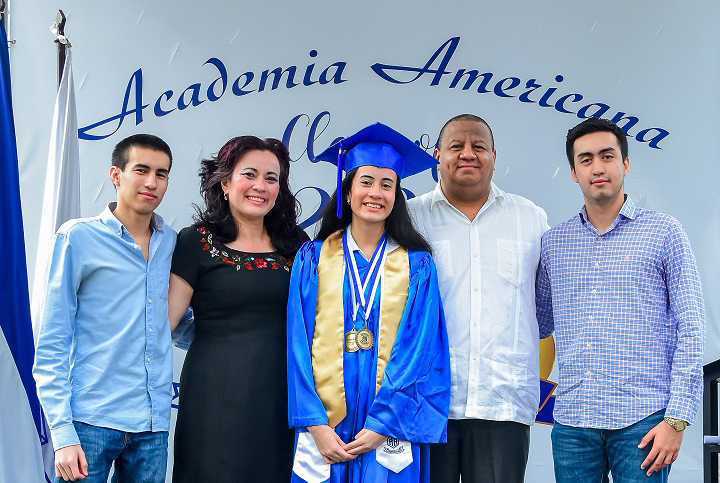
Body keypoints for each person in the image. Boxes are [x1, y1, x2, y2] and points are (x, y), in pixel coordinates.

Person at [535, 117, 705, 482]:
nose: (598, 167)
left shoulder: (664, 232)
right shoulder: (554, 244)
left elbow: (691, 328)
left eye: (607, 156)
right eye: (586, 159)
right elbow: (539, 322)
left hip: (643, 422)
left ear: (625, 164)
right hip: (573, 424)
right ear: (573, 172)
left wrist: (676, 419)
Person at [287, 122, 451, 483]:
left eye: (387, 184)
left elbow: (419, 351)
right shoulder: (313, 259)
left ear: (397, 196)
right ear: (347, 193)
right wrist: (314, 422)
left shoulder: (417, 266)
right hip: (326, 424)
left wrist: (384, 423)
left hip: (390, 421)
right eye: (366, 182)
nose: (375, 193)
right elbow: (297, 344)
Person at [407, 114, 549, 483]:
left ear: (494, 156)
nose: (468, 154)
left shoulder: (529, 219)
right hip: (426, 401)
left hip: (502, 401)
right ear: (437, 155)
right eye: (456, 146)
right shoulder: (409, 218)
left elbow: (547, 304)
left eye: (479, 147)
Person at [33, 134, 175, 483]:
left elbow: (172, 319)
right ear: (116, 175)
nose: (151, 182)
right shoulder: (77, 238)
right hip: (90, 423)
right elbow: (52, 342)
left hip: (153, 425)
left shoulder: (170, 242)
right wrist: (63, 434)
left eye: (161, 173)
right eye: (141, 170)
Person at [167, 135, 308, 483]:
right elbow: (164, 322)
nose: (261, 186)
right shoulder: (197, 241)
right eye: (250, 174)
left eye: (272, 179)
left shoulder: (298, 246)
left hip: (283, 397)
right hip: (213, 395)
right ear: (226, 182)